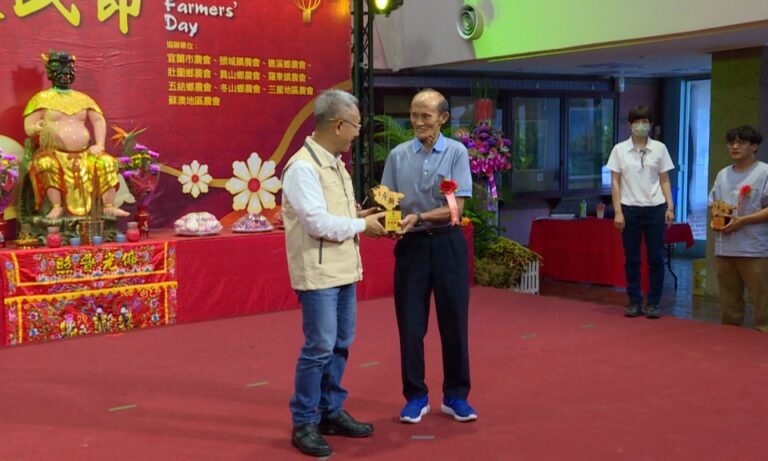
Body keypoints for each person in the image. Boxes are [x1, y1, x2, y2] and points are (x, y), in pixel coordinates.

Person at [281, 89, 387, 457]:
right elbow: (317, 223)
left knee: (340, 343)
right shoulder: (302, 168)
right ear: (338, 125)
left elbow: (338, 214)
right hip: (319, 272)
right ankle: (304, 421)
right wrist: (362, 225)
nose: (358, 133)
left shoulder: (335, 163)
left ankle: (330, 410)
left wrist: (363, 215)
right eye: (356, 126)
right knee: (319, 347)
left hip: (343, 269)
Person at [380, 89, 476, 424]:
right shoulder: (397, 155)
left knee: (454, 322)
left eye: (426, 116)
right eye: (414, 115)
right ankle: (415, 396)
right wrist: (392, 224)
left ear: (443, 118)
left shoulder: (456, 153)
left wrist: (419, 217)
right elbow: (389, 201)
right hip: (412, 247)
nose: (418, 122)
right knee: (410, 325)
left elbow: (456, 208)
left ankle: (456, 396)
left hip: (448, 244)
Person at [23, 50, 129, 219]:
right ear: (50, 73)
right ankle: (56, 206)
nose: (65, 75)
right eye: (60, 70)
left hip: (85, 154)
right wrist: (37, 127)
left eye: (69, 70)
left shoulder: (83, 98)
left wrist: (100, 145)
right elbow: (28, 127)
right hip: (54, 153)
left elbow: (98, 120)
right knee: (45, 163)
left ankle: (108, 206)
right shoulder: (41, 98)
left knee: (107, 161)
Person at [607, 105, 675, 319]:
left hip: (656, 208)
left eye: (645, 121)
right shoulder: (619, 149)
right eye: (637, 121)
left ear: (651, 124)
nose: (641, 125)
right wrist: (618, 211)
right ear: (629, 124)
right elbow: (615, 183)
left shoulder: (660, 148)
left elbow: (665, 179)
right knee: (632, 258)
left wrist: (670, 207)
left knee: (656, 258)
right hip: (629, 208)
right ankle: (634, 301)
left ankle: (654, 302)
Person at [708, 125, 768, 332]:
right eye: (731, 143)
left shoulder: (764, 172)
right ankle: (730, 340)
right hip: (725, 248)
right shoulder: (723, 174)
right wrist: (716, 220)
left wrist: (743, 221)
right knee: (729, 303)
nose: (734, 147)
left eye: (741, 143)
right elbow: (714, 203)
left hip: (754, 248)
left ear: (754, 146)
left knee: (762, 301)